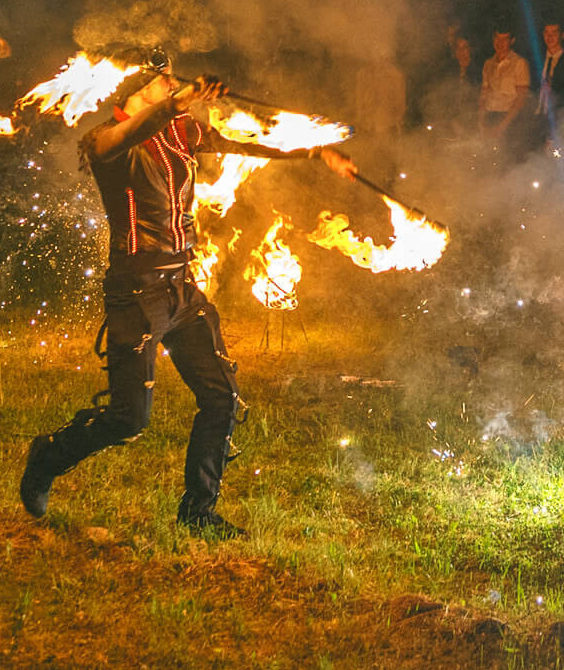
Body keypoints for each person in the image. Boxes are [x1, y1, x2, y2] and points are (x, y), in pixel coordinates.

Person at [19, 67, 357, 535]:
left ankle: (198, 513)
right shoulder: (108, 142)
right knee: (127, 419)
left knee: (221, 398)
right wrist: (176, 103)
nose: (174, 86)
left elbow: (242, 142)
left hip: (180, 287)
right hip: (136, 293)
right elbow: (138, 127)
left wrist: (313, 151)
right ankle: (48, 455)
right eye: (163, 82)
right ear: (134, 93)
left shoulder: (181, 132)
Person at [480, 29, 530, 152]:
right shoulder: (488, 63)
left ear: (512, 41)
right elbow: (483, 94)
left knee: (506, 160)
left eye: (504, 39)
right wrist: (481, 122)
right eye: (497, 38)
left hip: (510, 120)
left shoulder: (519, 63)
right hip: (490, 116)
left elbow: (521, 98)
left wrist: (503, 125)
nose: (500, 43)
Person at [533, 22, 564, 116]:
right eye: (546, 33)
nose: (549, 37)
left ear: (563, 35)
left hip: (558, 117)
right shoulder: (536, 58)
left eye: (554, 33)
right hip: (534, 116)